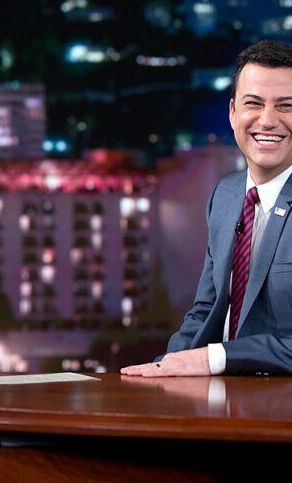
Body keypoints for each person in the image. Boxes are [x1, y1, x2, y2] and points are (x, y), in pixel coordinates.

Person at [122, 39, 292, 378]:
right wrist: (163, 367)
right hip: (220, 396)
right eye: (253, 103)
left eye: (286, 106)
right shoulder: (226, 195)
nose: (267, 120)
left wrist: (216, 358)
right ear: (232, 113)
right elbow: (205, 310)